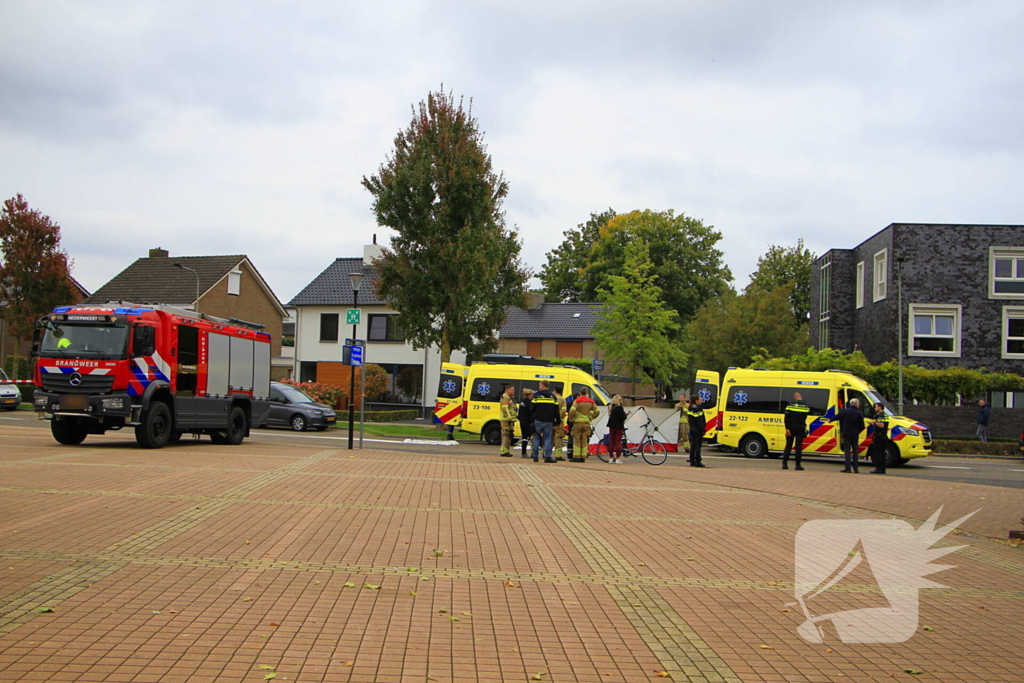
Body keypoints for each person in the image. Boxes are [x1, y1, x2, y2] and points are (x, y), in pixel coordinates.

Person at [832, 398, 866, 473]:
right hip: (855, 434)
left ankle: (848, 468)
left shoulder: (844, 411)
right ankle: (856, 468)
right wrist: (857, 431)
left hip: (846, 433)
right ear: (857, 404)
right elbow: (862, 425)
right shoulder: (859, 413)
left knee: (847, 451)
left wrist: (830, 420)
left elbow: (837, 417)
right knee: (855, 451)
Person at [531, 381, 561, 463]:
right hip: (549, 420)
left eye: (540, 385)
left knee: (537, 437)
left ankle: (535, 456)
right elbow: (556, 410)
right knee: (547, 438)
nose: (539, 386)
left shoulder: (536, 396)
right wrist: (558, 421)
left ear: (543, 386)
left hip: (538, 420)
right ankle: (547, 456)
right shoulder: (553, 397)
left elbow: (532, 408)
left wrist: (532, 419)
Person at [568, 387, 599, 461]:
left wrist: (572, 419)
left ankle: (576, 457)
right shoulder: (591, 402)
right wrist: (591, 417)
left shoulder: (577, 401)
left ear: (580, 393)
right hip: (586, 423)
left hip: (577, 423)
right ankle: (583, 457)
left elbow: (572, 411)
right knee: (584, 439)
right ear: (586, 393)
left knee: (577, 439)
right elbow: (597, 411)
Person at [782, 392, 810, 471]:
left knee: (788, 446)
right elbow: (805, 416)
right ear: (801, 397)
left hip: (791, 427)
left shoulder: (790, 404)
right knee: (798, 447)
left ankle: (784, 464)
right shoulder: (806, 405)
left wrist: (787, 428)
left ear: (794, 398)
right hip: (800, 427)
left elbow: (786, 418)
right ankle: (798, 465)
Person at [868, 402, 890, 474]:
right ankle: (882, 469)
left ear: (880, 407)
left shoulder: (881, 415)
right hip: (883, 436)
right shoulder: (884, 415)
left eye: (876, 407)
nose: (875, 408)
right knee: (882, 453)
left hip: (880, 436)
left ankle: (879, 468)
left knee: (878, 453)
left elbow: (881, 425)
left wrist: (875, 422)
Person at [686, 395, 706, 467]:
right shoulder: (698, 408)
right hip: (698, 429)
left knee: (693, 445)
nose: (701, 401)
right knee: (698, 445)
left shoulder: (690, 407)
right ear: (696, 401)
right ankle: (698, 461)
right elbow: (700, 420)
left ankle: (692, 461)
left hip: (692, 428)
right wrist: (703, 429)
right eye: (700, 399)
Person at [606, 395, 627, 464]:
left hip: (611, 426)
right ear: (618, 400)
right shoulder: (619, 408)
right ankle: (617, 458)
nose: (621, 401)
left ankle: (610, 458)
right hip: (618, 426)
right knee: (618, 442)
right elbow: (623, 417)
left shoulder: (611, 407)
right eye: (620, 400)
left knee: (612, 442)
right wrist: (626, 415)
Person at [498, 385, 517, 457]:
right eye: (512, 389)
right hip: (506, 420)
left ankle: (506, 450)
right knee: (506, 434)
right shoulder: (505, 397)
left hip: (510, 420)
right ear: (507, 390)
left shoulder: (509, 397)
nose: (513, 391)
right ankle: (504, 451)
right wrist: (509, 417)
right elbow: (505, 408)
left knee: (509, 435)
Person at [552, 388, 568, 461]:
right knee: (558, 438)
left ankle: (546, 454)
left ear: (555, 391)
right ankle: (558, 455)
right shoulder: (562, 400)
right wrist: (558, 418)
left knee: (549, 437)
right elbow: (564, 410)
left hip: (550, 421)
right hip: (559, 423)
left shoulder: (551, 398)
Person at [518, 389, 534, 458]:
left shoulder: (522, 402)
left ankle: (523, 452)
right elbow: (531, 412)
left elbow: (519, 414)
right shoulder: (529, 403)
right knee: (526, 437)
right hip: (527, 421)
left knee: (524, 436)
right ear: (529, 395)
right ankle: (524, 453)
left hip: (522, 421)